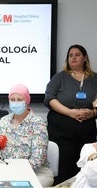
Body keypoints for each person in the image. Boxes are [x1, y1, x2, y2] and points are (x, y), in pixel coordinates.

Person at [44, 44, 97, 184]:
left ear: (85, 58)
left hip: (86, 135)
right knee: (63, 170)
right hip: (62, 134)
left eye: (77, 55)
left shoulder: (95, 79)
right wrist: (70, 113)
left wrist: (92, 113)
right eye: (70, 55)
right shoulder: (59, 77)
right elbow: (49, 98)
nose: (73, 58)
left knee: (85, 172)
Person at [0, 84, 54, 187]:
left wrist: (16, 172)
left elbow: (38, 160)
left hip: (37, 173)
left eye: (19, 99)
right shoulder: (4, 121)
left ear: (27, 101)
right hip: (8, 171)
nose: (15, 102)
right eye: (12, 99)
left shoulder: (38, 123)